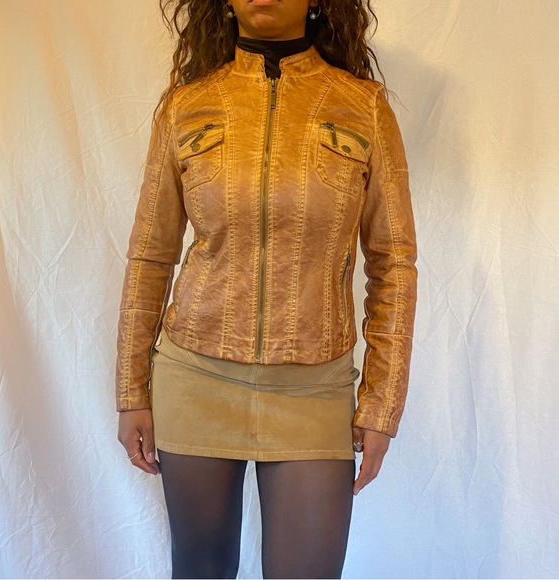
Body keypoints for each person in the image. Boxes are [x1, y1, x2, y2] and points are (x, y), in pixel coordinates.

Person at [115, 0, 417, 578]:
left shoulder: (363, 106)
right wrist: (132, 389)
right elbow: (150, 255)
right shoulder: (186, 107)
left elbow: (394, 262)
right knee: (200, 571)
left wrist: (382, 404)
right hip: (195, 377)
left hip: (315, 386)